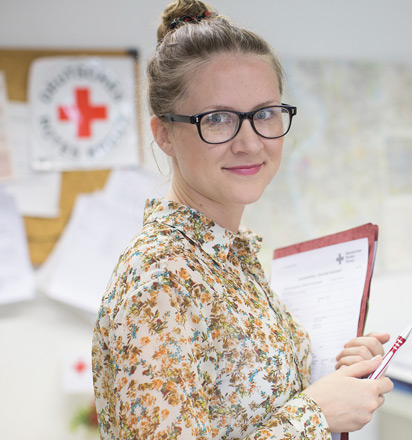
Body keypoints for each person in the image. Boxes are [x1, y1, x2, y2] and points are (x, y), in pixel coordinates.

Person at [91, 1, 394, 439]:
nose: (250, 143)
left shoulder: (227, 258)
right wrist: (315, 415)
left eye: (265, 113)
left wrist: (331, 375)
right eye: (217, 119)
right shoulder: (160, 275)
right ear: (164, 134)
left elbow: (246, 412)